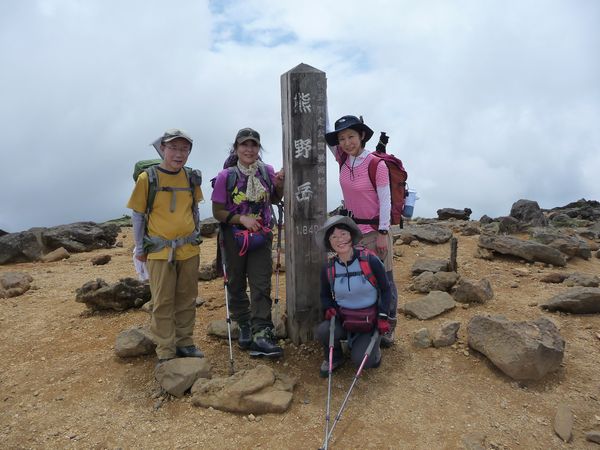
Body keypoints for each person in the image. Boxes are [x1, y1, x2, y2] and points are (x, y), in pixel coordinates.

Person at [127, 128, 204, 365]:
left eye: (184, 149)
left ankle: (185, 342)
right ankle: (165, 349)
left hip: (189, 250)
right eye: (173, 148)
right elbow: (138, 215)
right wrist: (140, 248)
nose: (179, 154)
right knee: (162, 301)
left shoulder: (191, 177)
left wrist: (196, 235)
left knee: (187, 298)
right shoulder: (147, 179)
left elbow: (195, 209)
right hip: (159, 251)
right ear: (162, 148)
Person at [325, 115, 399, 347]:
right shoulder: (342, 159)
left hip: (375, 231)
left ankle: (389, 324)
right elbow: (325, 128)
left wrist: (383, 233)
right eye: (342, 139)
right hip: (353, 232)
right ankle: (366, 323)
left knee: (385, 279)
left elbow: (385, 200)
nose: (347, 143)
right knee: (361, 279)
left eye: (351, 137)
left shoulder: (376, 164)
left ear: (362, 136)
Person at [211, 127, 284, 358]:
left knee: (261, 283)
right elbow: (217, 211)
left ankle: (261, 331)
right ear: (236, 148)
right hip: (233, 237)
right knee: (235, 282)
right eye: (244, 145)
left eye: (254, 145)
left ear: (259, 148)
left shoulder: (266, 171)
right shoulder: (226, 176)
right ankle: (244, 323)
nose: (249, 149)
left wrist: (279, 184)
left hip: (261, 236)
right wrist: (241, 219)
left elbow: (274, 198)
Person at [315, 215, 391, 377]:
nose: (339, 239)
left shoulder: (370, 260)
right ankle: (335, 358)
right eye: (333, 237)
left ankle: (374, 348)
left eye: (343, 234)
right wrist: (329, 308)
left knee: (363, 362)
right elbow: (325, 295)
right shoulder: (328, 268)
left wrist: (383, 316)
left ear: (351, 236)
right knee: (324, 331)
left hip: (369, 320)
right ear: (329, 242)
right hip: (344, 319)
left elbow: (386, 290)